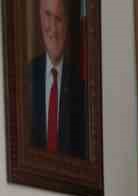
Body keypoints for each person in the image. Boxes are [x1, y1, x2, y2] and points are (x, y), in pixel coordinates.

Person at [29, 0, 87, 158]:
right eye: (48, 15)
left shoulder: (83, 87)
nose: (53, 29)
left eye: (59, 18)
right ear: (40, 17)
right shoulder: (25, 78)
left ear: (67, 23)